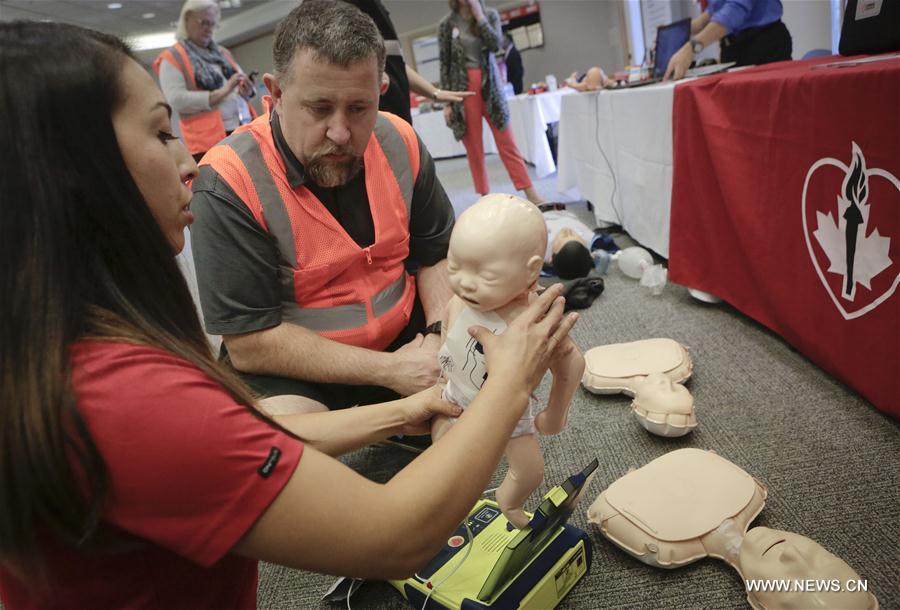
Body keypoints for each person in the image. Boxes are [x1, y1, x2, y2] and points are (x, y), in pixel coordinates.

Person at [0, 20, 577, 607]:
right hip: (309, 370)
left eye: (360, 107)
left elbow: (254, 438)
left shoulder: (70, 347)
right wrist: (510, 381)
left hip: (402, 353)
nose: (187, 163)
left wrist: (408, 404)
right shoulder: (132, 400)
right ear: (72, 170)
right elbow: (395, 535)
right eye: (162, 132)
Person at [190, 0, 455, 414]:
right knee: (283, 429)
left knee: (502, 327)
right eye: (319, 108)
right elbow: (251, 342)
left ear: (381, 91)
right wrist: (390, 371)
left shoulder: (399, 140)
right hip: (296, 367)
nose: (340, 132)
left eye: (359, 108)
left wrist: (439, 337)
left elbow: (436, 254)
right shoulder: (229, 180)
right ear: (277, 93)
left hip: (410, 338)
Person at [431, 195, 584, 528]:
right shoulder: (462, 298)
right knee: (444, 453)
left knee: (529, 472)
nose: (463, 282)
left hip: (509, 410)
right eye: (454, 266)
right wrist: (443, 364)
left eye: (485, 276)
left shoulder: (534, 322)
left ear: (531, 270)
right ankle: (447, 499)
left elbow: (571, 363)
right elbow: (447, 323)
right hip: (456, 395)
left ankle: (509, 501)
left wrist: (556, 413)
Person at [438, 0, 547, 204]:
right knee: (474, 149)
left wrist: (479, 16)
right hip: (462, 90)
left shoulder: (490, 15)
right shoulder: (446, 24)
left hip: (491, 88)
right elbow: (444, 63)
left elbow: (496, 45)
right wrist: (446, 102)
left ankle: (530, 192)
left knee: (507, 142)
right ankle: (485, 197)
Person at [153, 0, 257, 161]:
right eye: (204, 22)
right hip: (209, 142)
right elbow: (177, 100)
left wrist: (247, 91)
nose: (209, 29)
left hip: (243, 128)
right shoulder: (172, 57)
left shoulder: (222, 52)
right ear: (187, 19)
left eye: (213, 24)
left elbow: (240, 86)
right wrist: (222, 92)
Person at [342, 0, 474, 123]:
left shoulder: (377, 9)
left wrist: (435, 92)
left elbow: (396, 63)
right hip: (381, 107)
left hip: (399, 105)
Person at [664, 0, 792, 81]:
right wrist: (673, 31)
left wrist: (691, 48)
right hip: (733, 49)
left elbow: (735, 10)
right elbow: (711, 14)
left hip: (763, 45)